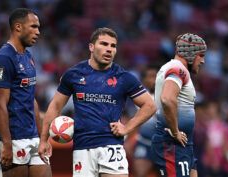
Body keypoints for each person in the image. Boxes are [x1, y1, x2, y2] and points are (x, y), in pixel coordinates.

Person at [38, 27, 156, 177]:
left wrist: (127, 128)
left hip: (111, 146)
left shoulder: (124, 77)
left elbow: (150, 105)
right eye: (104, 44)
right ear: (91, 47)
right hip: (82, 148)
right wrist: (44, 140)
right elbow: (55, 106)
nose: (109, 49)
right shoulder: (74, 74)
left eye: (113, 46)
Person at [0, 8, 51, 177]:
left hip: (32, 135)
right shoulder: (3, 58)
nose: (38, 32)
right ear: (18, 27)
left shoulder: (28, 56)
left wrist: (42, 137)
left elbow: (32, 99)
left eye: (38, 27)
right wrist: (7, 145)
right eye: (33, 26)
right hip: (14, 138)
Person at [151, 33, 207, 177]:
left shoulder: (175, 68)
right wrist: (175, 131)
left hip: (183, 144)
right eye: (201, 55)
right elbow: (167, 99)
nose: (203, 61)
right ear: (191, 53)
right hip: (172, 143)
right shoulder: (178, 69)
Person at [132, 66, 158, 177]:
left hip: (165, 144)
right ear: (143, 80)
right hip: (144, 142)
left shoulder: (169, 96)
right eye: (151, 76)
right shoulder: (138, 97)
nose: (154, 79)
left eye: (157, 76)